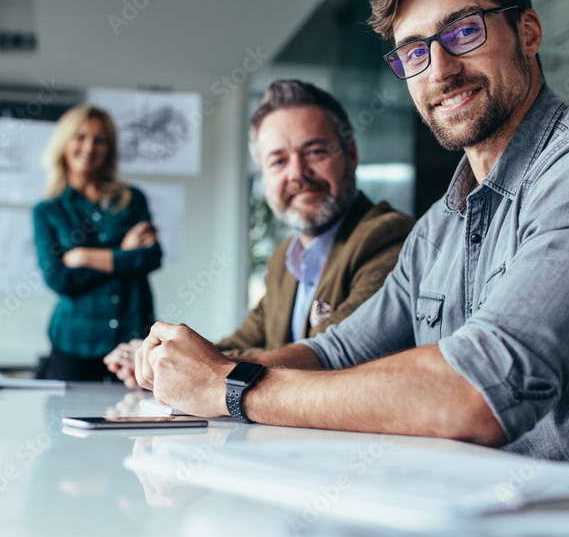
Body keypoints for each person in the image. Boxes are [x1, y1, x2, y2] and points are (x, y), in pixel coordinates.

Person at [132, 0, 569, 495]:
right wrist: (200, 369)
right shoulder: (439, 229)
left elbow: (479, 391)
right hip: (493, 526)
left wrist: (232, 387)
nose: (441, 69)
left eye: (464, 31)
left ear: (527, 31)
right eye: (413, 52)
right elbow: (335, 352)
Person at [103, 80, 415, 387]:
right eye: (278, 161)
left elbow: (333, 353)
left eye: (316, 151)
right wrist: (161, 358)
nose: (297, 173)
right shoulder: (284, 257)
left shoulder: (386, 236)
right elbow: (238, 344)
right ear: (264, 177)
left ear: (351, 155)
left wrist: (197, 368)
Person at [33, 103, 162, 381]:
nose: (89, 147)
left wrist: (83, 256)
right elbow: (58, 278)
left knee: (136, 418)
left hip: (132, 336)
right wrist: (124, 252)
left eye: (99, 139)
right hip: (73, 341)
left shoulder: (132, 199)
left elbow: (151, 258)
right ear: (64, 143)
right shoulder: (47, 211)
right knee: (66, 421)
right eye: (80, 137)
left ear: (109, 148)